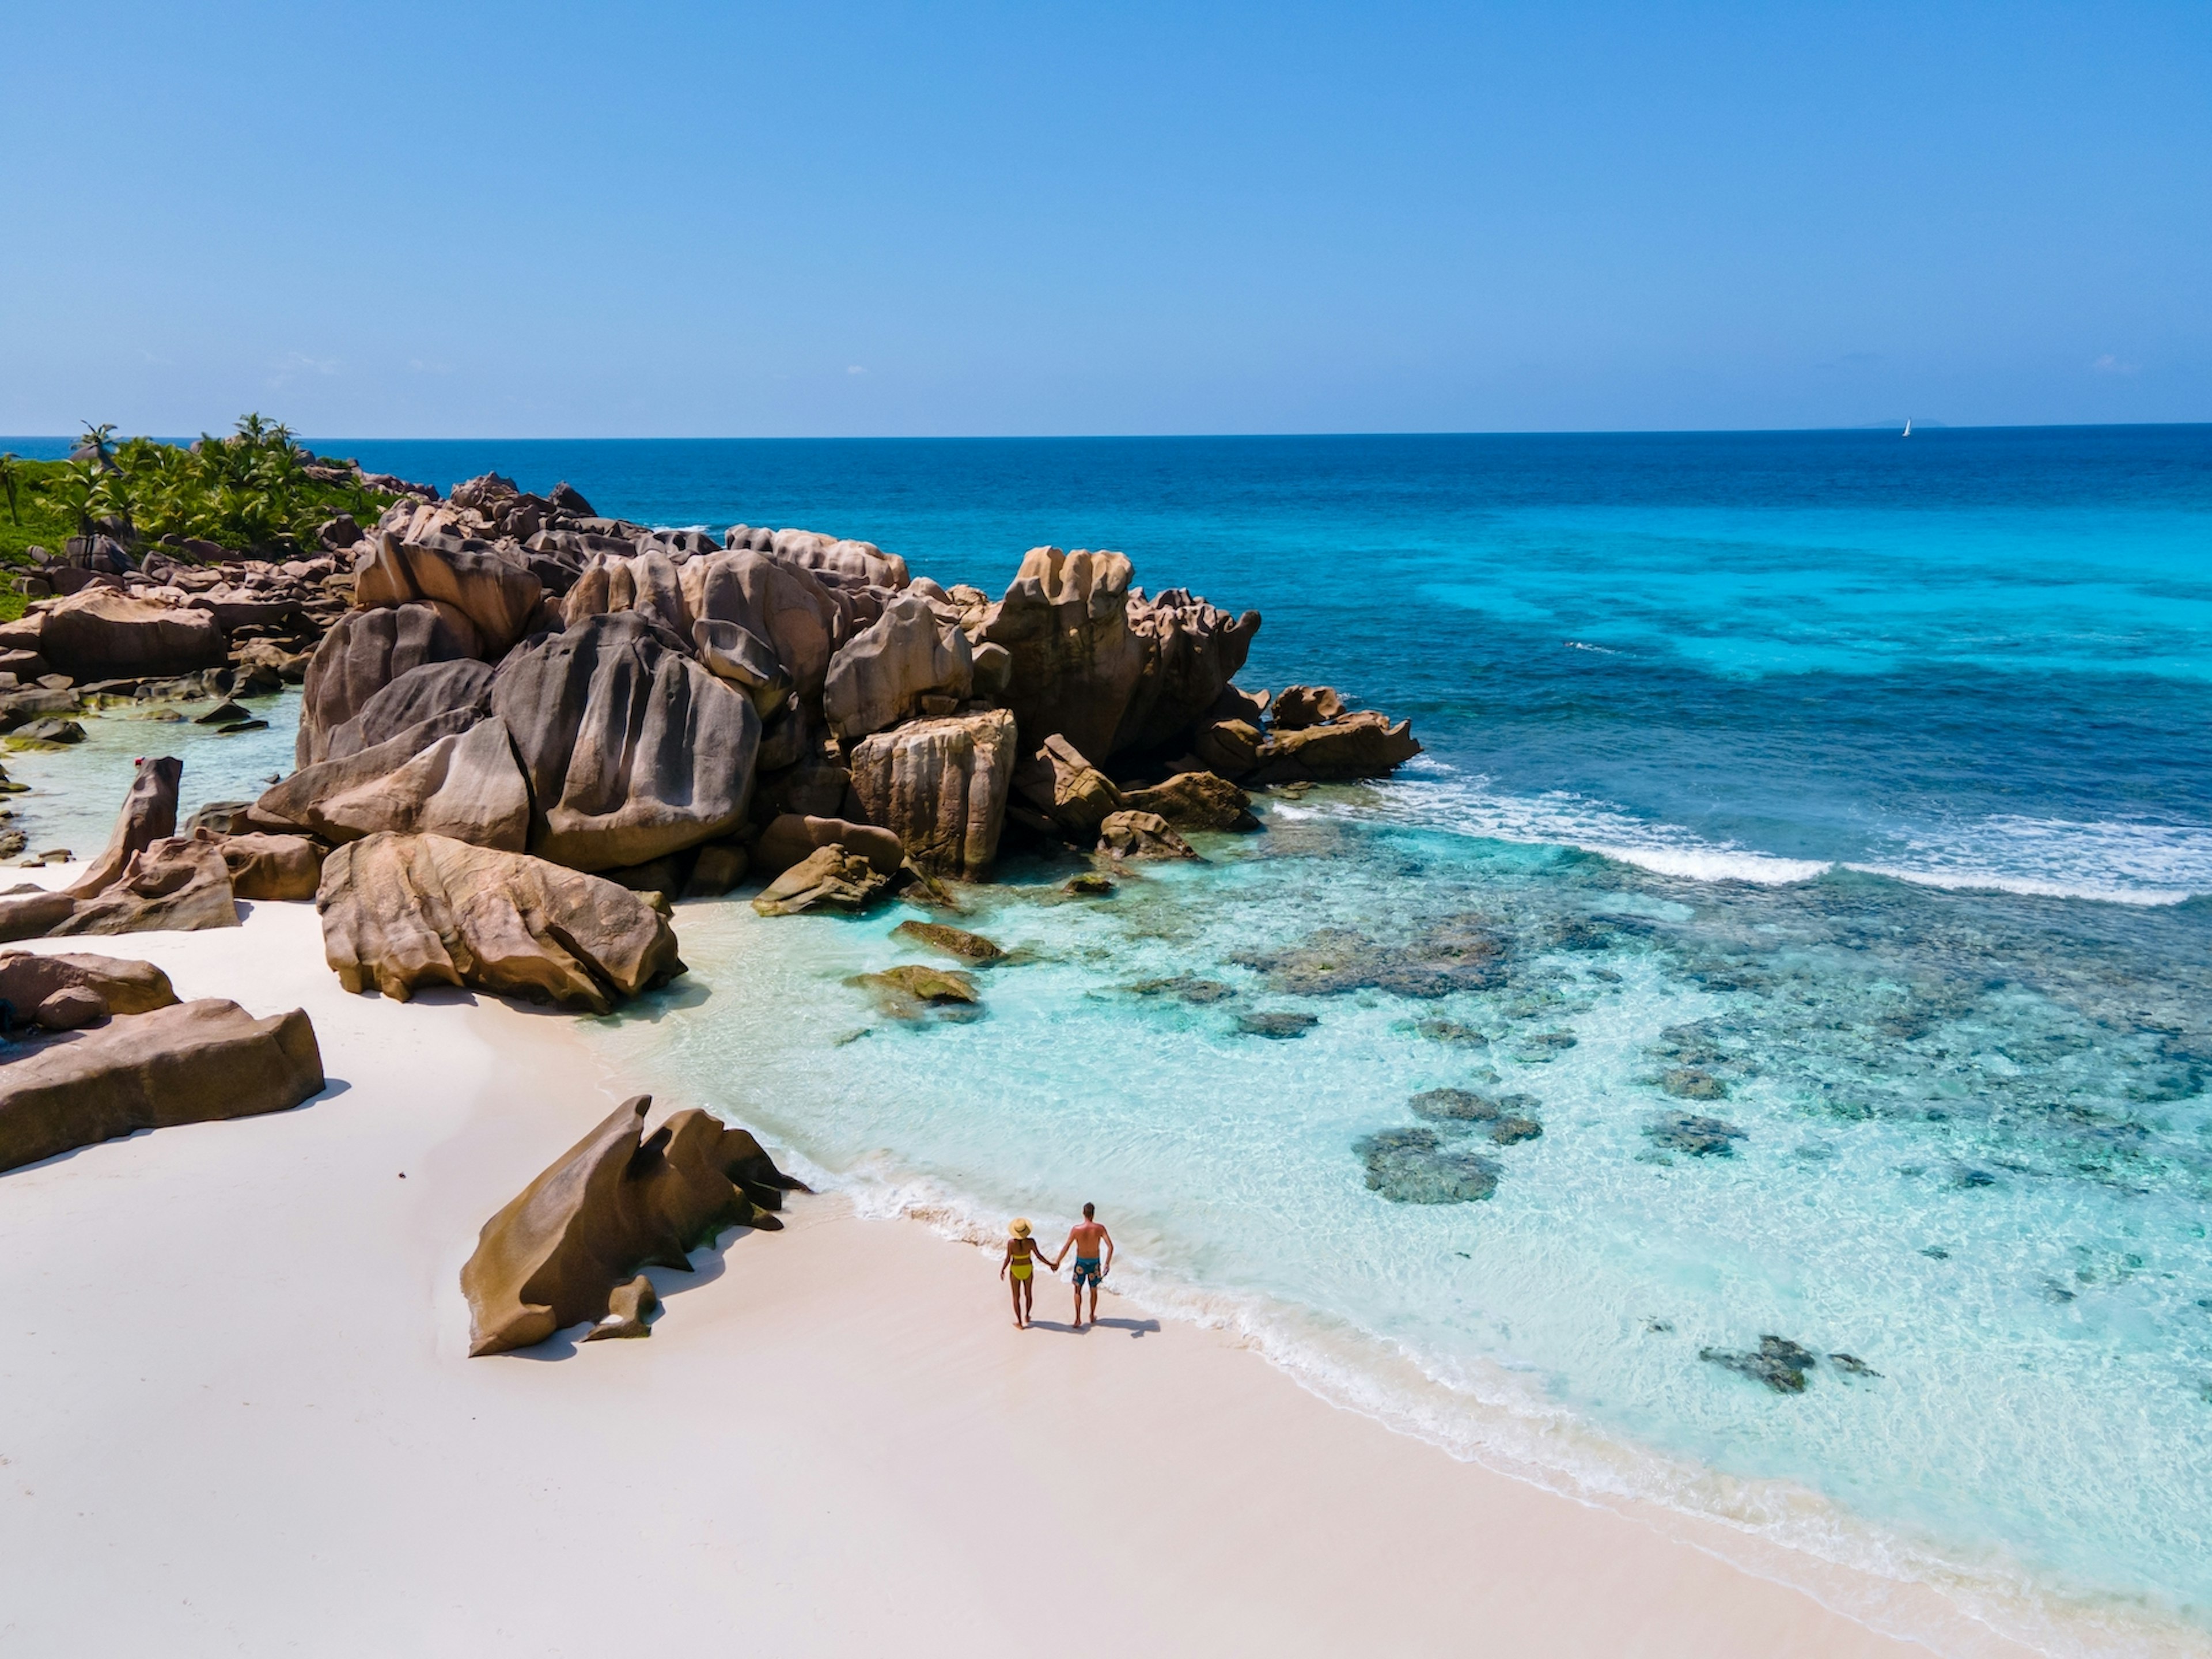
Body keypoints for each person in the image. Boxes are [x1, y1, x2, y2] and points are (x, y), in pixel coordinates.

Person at [1056, 1202, 1114, 1330]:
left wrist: (1058, 1261)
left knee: (1078, 1290)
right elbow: (1110, 1246)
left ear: (1083, 1213)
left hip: (1081, 1263)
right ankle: (1092, 1315)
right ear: (1094, 1214)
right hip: (1095, 1263)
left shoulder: (1076, 1230)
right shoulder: (1100, 1228)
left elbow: (1067, 1246)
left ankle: (1077, 1319)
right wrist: (1107, 1263)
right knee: (1094, 1289)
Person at [999, 1218, 1049, 1328]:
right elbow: (1039, 1256)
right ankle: (1027, 1315)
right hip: (1027, 1268)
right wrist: (1051, 1264)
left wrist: (1003, 1269)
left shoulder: (1011, 1243)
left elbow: (1008, 1258)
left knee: (1016, 1297)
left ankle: (1020, 1322)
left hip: (1016, 1269)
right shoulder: (1031, 1242)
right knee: (1028, 1294)